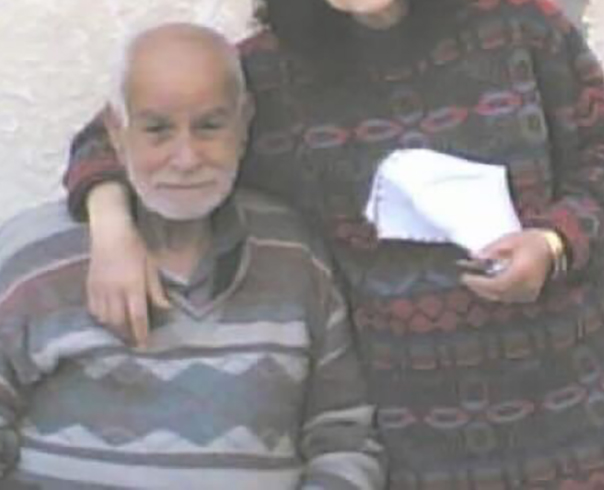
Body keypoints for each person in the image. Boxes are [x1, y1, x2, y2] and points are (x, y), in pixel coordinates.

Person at [62, 0, 604, 487]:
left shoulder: (512, 19)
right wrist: (112, 231)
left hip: (574, 411)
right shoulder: (271, 75)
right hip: (412, 441)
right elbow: (119, 134)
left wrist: (554, 242)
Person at [0, 24, 384, 489]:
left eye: (209, 127)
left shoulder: (295, 258)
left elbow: (343, 437)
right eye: (157, 130)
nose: (186, 159)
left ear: (244, 124)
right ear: (117, 133)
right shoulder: (31, 262)